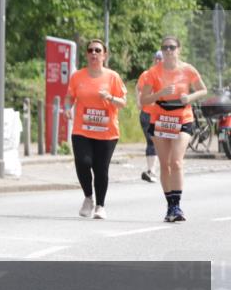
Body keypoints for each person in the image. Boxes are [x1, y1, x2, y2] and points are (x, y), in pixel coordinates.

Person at [139, 36, 207, 222]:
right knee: (165, 164)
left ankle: (177, 206)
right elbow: (144, 100)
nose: (168, 50)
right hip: (160, 119)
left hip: (183, 118)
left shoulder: (188, 70)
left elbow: (203, 90)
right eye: (165, 47)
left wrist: (189, 98)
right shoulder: (153, 72)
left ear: (179, 49)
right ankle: (170, 206)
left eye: (172, 47)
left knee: (176, 161)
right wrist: (161, 93)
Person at [63, 38, 127, 220]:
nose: (94, 54)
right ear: (86, 54)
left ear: (104, 55)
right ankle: (88, 197)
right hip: (82, 129)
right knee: (83, 162)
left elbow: (123, 102)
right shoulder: (77, 76)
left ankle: (100, 205)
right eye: (90, 50)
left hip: (107, 131)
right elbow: (70, 97)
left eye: (98, 51)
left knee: (101, 169)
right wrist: (67, 109)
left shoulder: (112, 77)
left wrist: (110, 97)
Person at [136, 50, 164, 183]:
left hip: (162, 114)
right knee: (151, 140)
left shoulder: (167, 76)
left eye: (161, 59)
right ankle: (151, 171)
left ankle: (155, 170)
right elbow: (138, 88)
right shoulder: (146, 74)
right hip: (147, 113)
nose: (158, 61)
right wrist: (138, 101)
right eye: (156, 58)